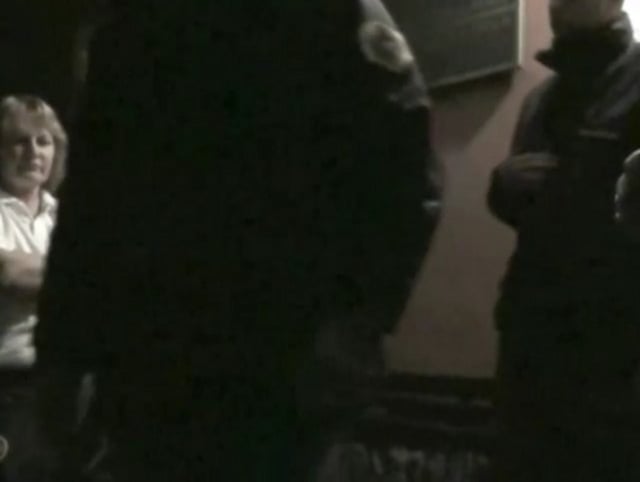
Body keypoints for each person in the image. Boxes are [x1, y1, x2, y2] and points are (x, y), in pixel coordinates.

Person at [35, 1, 441, 481]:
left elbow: (403, 158)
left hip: (280, 347)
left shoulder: (324, 12)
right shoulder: (127, 34)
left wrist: (360, 316)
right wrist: (61, 352)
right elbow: (90, 206)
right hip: (150, 357)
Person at [487, 1, 640, 481]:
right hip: (530, 349)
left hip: (613, 356)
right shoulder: (540, 100)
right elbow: (529, 220)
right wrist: (502, 188)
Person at [0, 95, 66, 481]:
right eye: (20, 141)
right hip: (8, 386)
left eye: (44, 141)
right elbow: (9, 273)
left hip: (64, 386)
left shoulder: (63, 215)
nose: (34, 152)